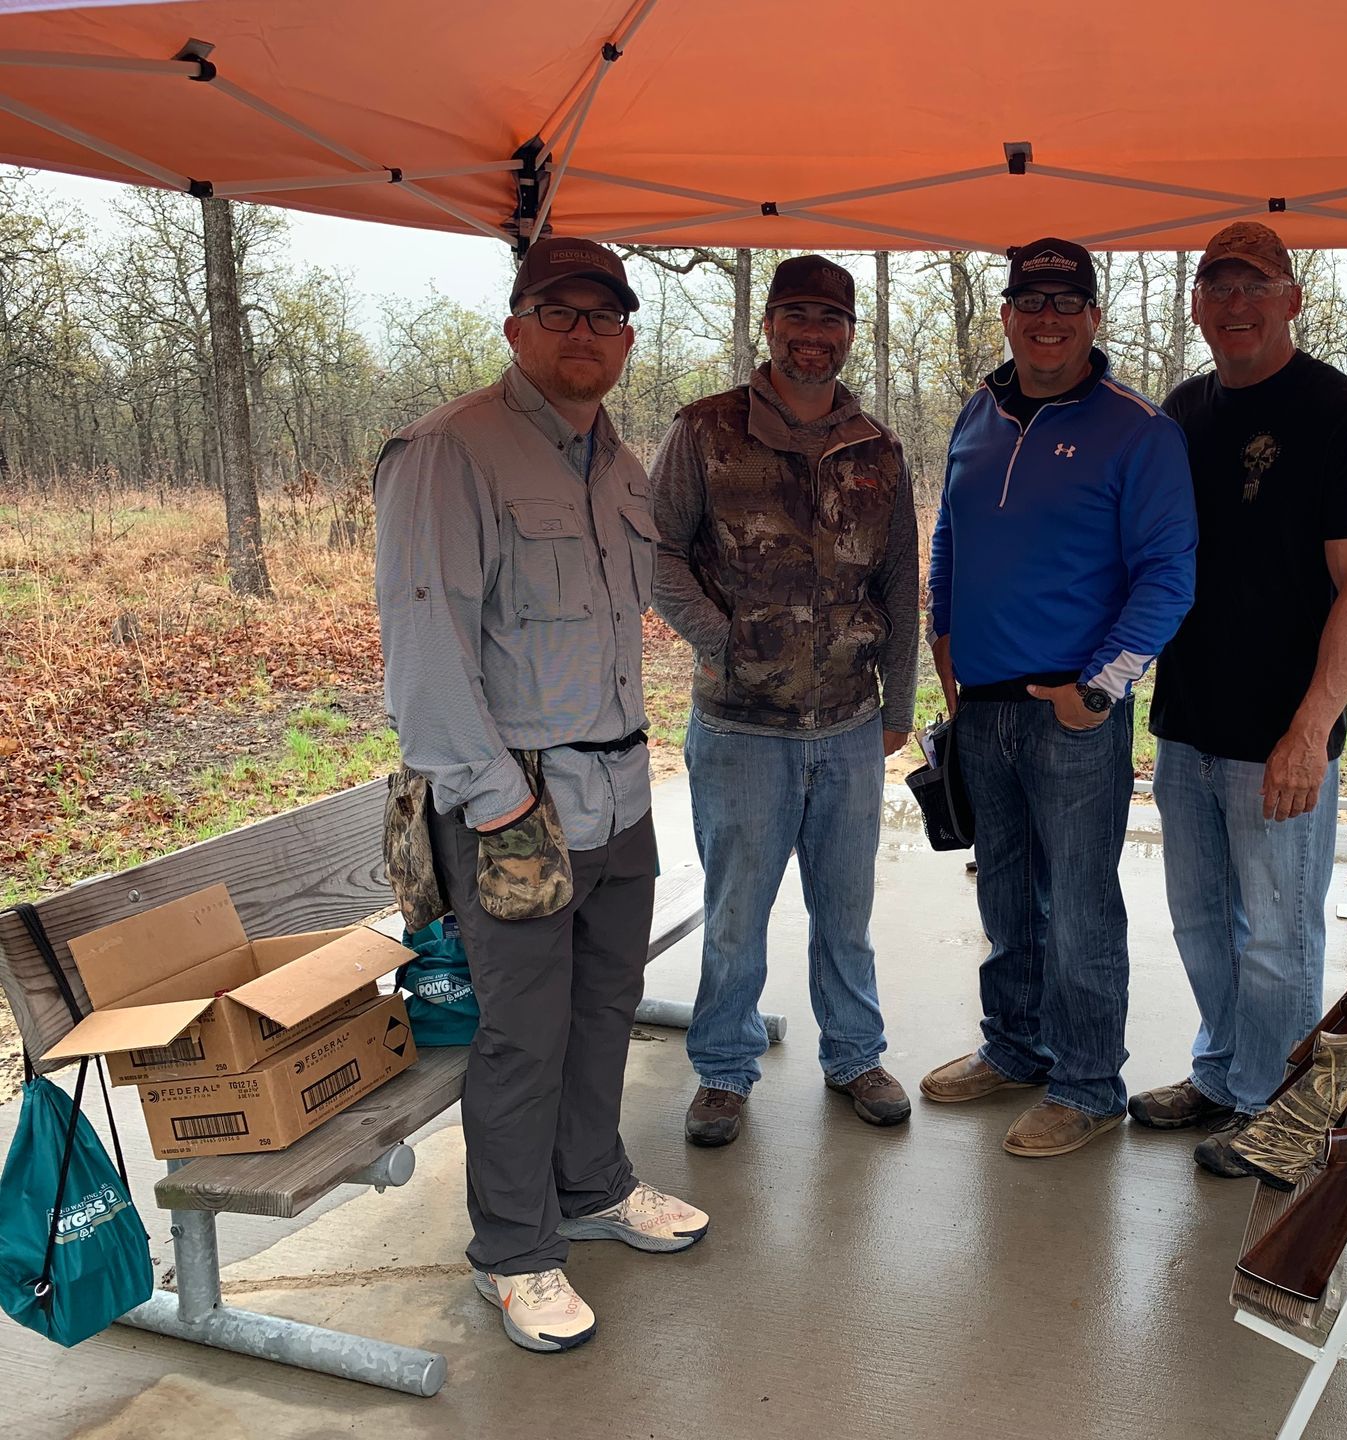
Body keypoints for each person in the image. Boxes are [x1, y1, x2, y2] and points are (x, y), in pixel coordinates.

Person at [374, 237, 709, 1354]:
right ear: (516, 326)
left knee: (606, 1002)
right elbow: (426, 644)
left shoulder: (617, 459)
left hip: (620, 784)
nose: (583, 335)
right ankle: (514, 1251)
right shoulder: (450, 451)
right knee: (523, 1030)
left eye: (604, 318)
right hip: (519, 797)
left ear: (625, 339)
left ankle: (591, 1186)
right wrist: (491, 798)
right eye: (558, 314)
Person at [1127, 222, 1347, 1179]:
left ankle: (1277, 1112)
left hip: (1279, 740)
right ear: (1197, 303)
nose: (1234, 303)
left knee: (1281, 933)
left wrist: (1310, 727)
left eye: (1256, 285)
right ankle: (1225, 1073)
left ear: (1292, 298)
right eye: (1216, 284)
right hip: (1187, 726)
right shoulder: (1182, 414)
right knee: (1204, 923)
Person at [920, 237, 1197, 1157]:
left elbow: (1168, 576)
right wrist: (944, 648)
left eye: (1065, 304)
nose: (1046, 320)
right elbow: (952, 538)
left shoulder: (1138, 428)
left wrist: (1099, 690)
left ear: (1093, 318)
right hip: (984, 704)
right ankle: (1016, 1047)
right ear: (1006, 314)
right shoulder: (978, 412)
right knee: (1005, 894)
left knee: (1078, 905)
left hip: (1071, 713)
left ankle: (1086, 1085)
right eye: (1029, 303)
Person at [650, 255, 919, 1148]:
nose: (814, 335)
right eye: (796, 316)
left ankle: (854, 1054)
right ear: (768, 326)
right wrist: (725, 641)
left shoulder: (877, 449)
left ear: (850, 331)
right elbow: (661, 554)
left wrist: (898, 704)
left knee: (846, 909)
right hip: (739, 727)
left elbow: (901, 580)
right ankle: (724, 1068)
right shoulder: (706, 431)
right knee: (736, 912)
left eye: (831, 319)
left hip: (847, 720)